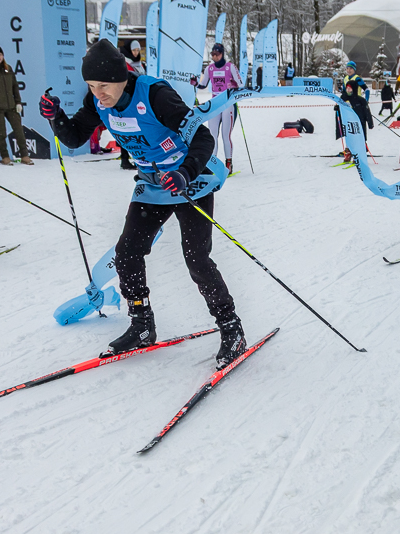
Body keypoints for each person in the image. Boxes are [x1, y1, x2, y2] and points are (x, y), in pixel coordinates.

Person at [40, 39, 246, 369]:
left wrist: (184, 171)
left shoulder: (155, 95)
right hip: (152, 186)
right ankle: (141, 324)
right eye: (92, 86)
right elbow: (75, 136)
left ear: (122, 77)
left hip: (189, 179)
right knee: (127, 253)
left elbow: (203, 138)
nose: (98, 93)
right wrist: (57, 118)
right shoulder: (99, 103)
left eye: (103, 86)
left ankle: (232, 329)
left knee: (196, 258)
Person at [191, 42, 242, 173]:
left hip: (228, 104)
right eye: (213, 54)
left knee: (226, 135)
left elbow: (241, 84)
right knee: (212, 135)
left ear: (222, 54)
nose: (215, 57)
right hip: (215, 103)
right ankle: (213, 163)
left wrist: (234, 85)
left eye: (217, 54)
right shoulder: (209, 69)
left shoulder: (230, 67)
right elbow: (203, 85)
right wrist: (195, 83)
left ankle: (228, 164)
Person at [0, 45, 31, 166]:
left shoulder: (8, 69)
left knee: (19, 130)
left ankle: (24, 155)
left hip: (11, 106)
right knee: (2, 133)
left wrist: (18, 102)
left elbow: (15, 87)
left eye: (0, 54)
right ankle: (5, 156)